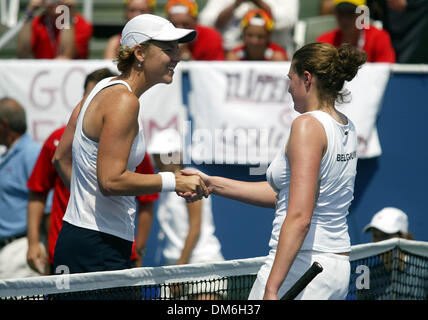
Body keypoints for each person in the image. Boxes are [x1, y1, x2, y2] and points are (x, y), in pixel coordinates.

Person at [180, 42, 367, 300]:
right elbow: (285, 196)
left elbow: (300, 216)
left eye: (290, 78)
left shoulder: (307, 126)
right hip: (333, 270)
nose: (289, 87)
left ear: (307, 78)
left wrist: (272, 287)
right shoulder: (346, 125)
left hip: (301, 270)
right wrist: (212, 184)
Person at [52, 14, 208, 274]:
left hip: (79, 237)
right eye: (168, 49)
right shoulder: (124, 101)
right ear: (140, 52)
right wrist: (174, 181)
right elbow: (111, 181)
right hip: (99, 247)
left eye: (177, 49)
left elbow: (61, 157)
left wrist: (86, 206)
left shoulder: (102, 87)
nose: (177, 57)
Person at [26, 68, 159, 274]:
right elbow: (41, 188)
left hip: (110, 246)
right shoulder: (58, 140)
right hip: (88, 245)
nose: (100, 103)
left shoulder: (131, 144)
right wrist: (33, 242)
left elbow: (146, 201)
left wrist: (139, 249)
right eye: (93, 97)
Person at [0, 97, 41, 279]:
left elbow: (44, 203)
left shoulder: (31, 154)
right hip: (7, 251)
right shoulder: (7, 155)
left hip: (22, 251)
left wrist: (37, 247)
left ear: (4, 125)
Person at [198, 0, 298, 54]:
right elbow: (206, 22)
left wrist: (258, 2)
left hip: (271, 54)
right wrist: (236, 4)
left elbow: (288, 21)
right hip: (230, 53)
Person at [316, 0, 396, 63]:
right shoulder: (325, 42)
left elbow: (385, 71)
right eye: (341, 13)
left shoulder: (380, 38)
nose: (345, 20)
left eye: (351, 13)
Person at [17, 0, 93, 59]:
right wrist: (30, 12)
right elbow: (22, 53)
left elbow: (67, 56)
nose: (55, 2)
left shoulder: (81, 24)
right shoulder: (37, 22)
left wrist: (68, 14)